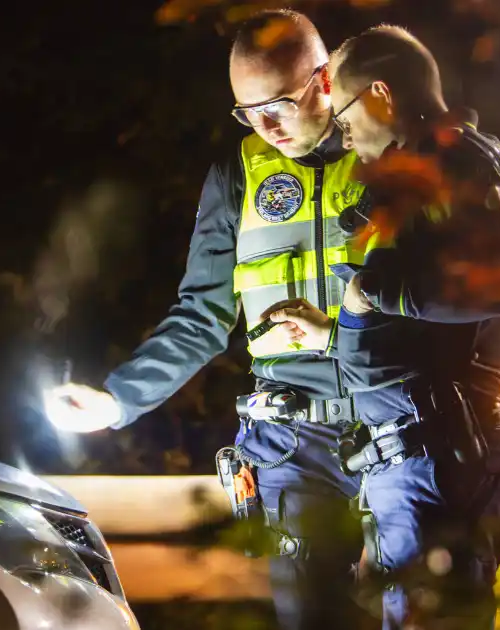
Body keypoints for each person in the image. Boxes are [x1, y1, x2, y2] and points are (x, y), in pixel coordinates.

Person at [47, 9, 374, 630]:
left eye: (278, 104)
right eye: (248, 112)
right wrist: (117, 400)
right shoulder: (236, 177)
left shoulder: (387, 155)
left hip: (395, 419)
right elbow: (202, 314)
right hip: (293, 445)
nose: (266, 126)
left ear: (325, 79)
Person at [267, 25, 500, 629]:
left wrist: (369, 293)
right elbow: (429, 327)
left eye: (344, 116)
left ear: (382, 96)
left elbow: (489, 290)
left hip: (437, 445)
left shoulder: (452, 160)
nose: (344, 134)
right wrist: (339, 333)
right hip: (431, 445)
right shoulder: (450, 158)